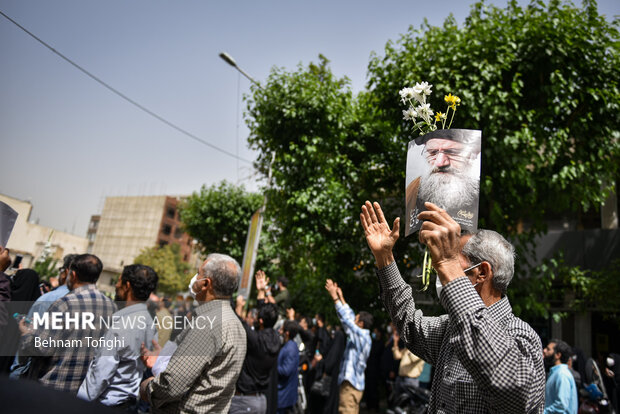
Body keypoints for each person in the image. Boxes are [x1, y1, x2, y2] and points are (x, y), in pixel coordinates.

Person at [360, 200, 545, 413]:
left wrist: (448, 265)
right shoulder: (450, 327)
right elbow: (409, 323)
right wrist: (385, 258)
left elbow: (512, 393)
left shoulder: (520, 334)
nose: (441, 272)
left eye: (453, 262)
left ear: (482, 272)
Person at [139, 253, 246, 413]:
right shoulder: (235, 324)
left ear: (205, 284)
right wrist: (163, 358)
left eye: (198, 273)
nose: (194, 277)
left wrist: (147, 387)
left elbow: (173, 385)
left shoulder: (209, 323)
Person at [18, 254, 117, 393]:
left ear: (73, 275)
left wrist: (27, 334)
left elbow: (41, 348)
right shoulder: (110, 306)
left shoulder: (65, 304)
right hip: (78, 390)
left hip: (48, 387)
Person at [77, 264, 159, 410]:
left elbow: (100, 376)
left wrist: (78, 404)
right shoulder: (149, 322)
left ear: (127, 286)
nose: (116, 285)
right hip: (129, 403)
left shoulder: (120, 326)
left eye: (119, 281)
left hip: (107, 404)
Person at [406, 129, 481, 232]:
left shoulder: (481, 195)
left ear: (473, 154)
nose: (440, 163)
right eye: (433, 153)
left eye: (452, 152)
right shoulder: (413, 189)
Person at [230, 270, 281, 414]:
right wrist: (262, 291)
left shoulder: (256, 341)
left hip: (243, 403)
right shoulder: (276, 339)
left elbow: (238, 323)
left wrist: (238, 305)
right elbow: (269, 313)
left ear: (260, 321)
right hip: (260, 401)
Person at [325, 279, 372, 414]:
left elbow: (347, 321)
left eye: (357, 319)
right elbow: (350, 318)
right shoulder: (363, 336)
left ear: (361, 323)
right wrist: (342, 298)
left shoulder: (361, 335)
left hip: (350, 386)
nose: (354, 321)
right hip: (355, 385)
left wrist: (335, 298)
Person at [543, 339, 578, 413]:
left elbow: (561, 405)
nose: (544, 351)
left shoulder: (562, 374)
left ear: (558, 355)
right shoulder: (555, 373)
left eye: (548, 349)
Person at [277, 319, 300, 414]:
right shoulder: (288, 346)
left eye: (281, 330)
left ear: (287, 333)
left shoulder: (291, 348)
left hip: (283, 396)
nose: (279, 331)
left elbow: (286, 371)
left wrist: (273, 367)